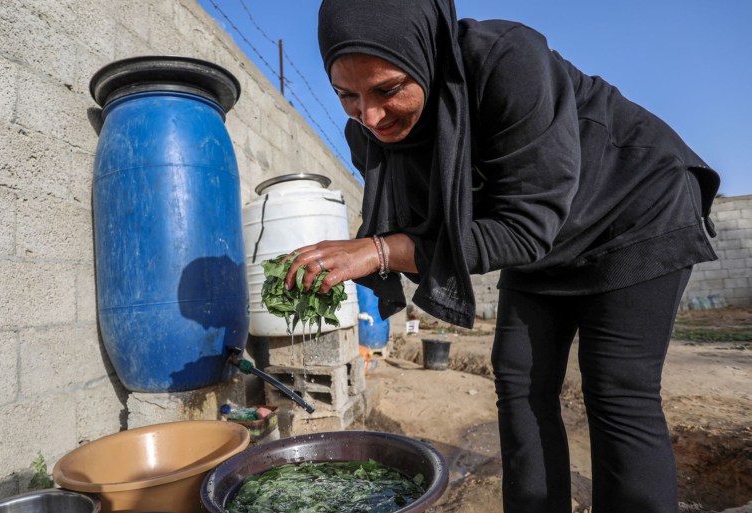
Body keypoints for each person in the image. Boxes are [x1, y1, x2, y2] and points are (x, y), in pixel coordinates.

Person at [283, 1, 721, 512]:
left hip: (633, 205)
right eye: (347, 96)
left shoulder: (506, 62)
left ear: (428, 51)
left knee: (616, 388)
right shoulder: (371, 136)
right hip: (544, 241)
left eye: (388, 89)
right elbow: (432, 229)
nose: (371, 116)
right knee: (518, 380)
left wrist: (381, 250)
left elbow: (522, 227)